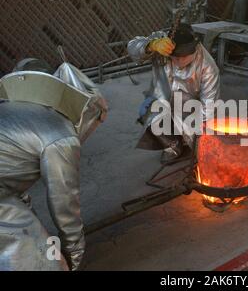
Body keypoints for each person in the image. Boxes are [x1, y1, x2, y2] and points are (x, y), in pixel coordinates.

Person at [0, 60, 108, 271]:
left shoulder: (11, 111)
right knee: (44, 262)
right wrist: (73, 252)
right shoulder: (59, 134)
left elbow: (9, 177)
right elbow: (65, 202)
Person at [128, 23, 220, 164]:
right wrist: (151, 45)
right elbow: (132, 46)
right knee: (147, 111)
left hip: (191, 108)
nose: (179, 61)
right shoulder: (162, 45)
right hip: (163, 99)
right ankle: (173, 145)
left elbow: (209, 107)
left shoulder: (208, 67)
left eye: (184, 57)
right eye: (175, 57)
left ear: (194, 50)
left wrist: (203, 143)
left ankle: (188, 141)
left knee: (200, 141)